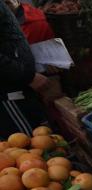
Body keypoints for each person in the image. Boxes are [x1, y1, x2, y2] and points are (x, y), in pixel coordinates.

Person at [1, 0, 54, 138]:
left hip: (19, 87)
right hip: (8, 94)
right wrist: (28, 76)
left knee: (39, 138)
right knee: (28, 142)